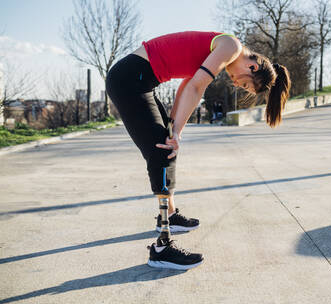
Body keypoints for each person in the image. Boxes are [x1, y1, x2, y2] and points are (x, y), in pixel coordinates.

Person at [106, 31, 291, 270]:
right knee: (162, 151)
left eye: (242, 87)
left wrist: (173, 128)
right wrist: (176, 134)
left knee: (166, 146)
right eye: (244, 83)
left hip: (138, 80)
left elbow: (188, 84)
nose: (236, 83)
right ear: (253, 66)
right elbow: (196, 86)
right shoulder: (230, 46)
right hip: (129, 80)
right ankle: (162, 248)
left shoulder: (224, 49)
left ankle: (170, 216)